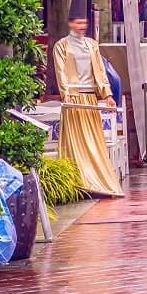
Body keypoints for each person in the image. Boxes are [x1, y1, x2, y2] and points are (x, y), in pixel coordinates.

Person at [46, 14, 123, 196]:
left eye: (84, 23)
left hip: (90, 98)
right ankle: (78, 181)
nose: (82, 26)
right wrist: (66, 93)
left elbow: (101, 71)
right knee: (75, 139)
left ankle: (97, 179)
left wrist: (108, 95)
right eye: (78, 22)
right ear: (71, 24)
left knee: (93, 139)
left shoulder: (92, 45)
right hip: (73, 97)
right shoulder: (61, 46)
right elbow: (60, 71)